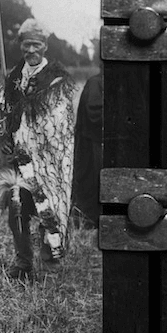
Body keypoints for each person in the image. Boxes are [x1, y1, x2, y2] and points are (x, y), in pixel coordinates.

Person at [0, 18, 76, 281]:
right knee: (17, 211)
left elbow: (58, 124)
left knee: (50, 213)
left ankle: (50, 266)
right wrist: (5, 131)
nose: (31, 50)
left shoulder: (56, 80)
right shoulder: (13, 77)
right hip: (18, 162)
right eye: (26, 45)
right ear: (20, 45)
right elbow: (0, 108)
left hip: (48, 162)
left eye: (36, 45)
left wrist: (27, 137)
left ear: (45, 46)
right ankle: (23, 262)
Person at [71, 68, 103, 228]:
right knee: (92, 182)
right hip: (93, 144)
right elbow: (95, 115)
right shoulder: (96, 83)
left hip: (101, 143)